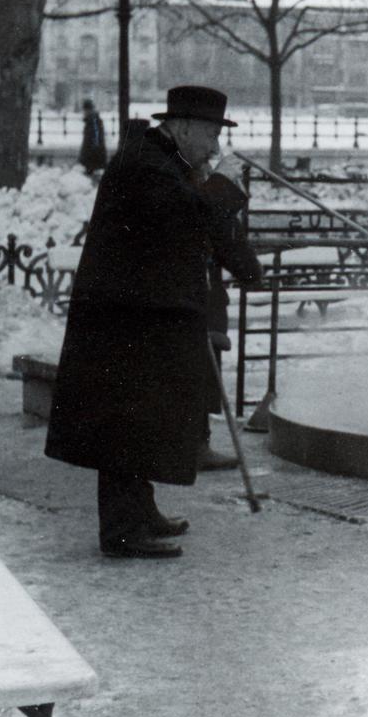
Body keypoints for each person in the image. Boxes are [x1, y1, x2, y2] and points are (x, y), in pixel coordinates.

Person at [46, 85, 237, 559]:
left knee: (138, 420)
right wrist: (224, 184)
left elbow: (192, 223)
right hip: (123, 320)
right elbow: (182, 219)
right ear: (185, 126)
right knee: (125, 424)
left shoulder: (160, 161)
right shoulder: (145, 167)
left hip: (136, 316)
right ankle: (121, 531)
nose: (215, 146)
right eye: (212, 134)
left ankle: (140, 511)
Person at [197, 168, 264, 468]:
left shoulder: (188, 195)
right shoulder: (216, 211)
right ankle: (197, 446)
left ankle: (184, 443)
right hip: (204, 305)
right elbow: (247, 267)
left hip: (181, 302)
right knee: (201, 376)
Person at [78, 98, 108, 175]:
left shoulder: (93, 121)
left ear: (88, 110)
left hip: (92, 157)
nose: (83, 112)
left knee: (92, 177)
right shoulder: (92, 120)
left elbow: (95, 139)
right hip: (92, 156)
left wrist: (89, 155)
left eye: (85, 110)